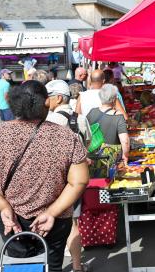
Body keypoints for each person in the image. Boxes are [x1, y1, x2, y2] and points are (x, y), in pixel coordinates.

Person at [0, 81, 89, 272]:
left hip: (11, 218)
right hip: (55, 219)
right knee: (53, 265)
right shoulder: (65, 137)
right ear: (46, 103)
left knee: (20, 266)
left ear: (14, 104)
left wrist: (3, 206)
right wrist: (51, 212)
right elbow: (79, 181)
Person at [45, 80, 92, 272]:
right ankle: (77, 266)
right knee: (73, 223)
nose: (46, 101)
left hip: (51, 180)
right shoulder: (80, 118)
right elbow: (87, 144)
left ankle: (49, 263)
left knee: (48, 220)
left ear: (57, 98)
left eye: (48, 97)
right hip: (74, 180)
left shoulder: (47, 122)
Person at [86, 84, 130, 176]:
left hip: (93, 156)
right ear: (114, 99)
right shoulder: (118, 116)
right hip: (111, 159)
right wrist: (125, 156)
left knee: (95, 183)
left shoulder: (92, 112)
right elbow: (125, 141)